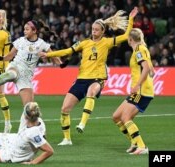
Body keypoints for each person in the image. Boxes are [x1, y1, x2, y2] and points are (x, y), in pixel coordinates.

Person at [38, 7, 139, 145]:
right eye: (92, 29)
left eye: (97, 30)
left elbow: (127, 35)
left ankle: (82, 124)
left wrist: (131, 19)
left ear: (103, 32)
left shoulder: (107, 42)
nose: (94, 31)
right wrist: (48, 54)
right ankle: (67, 139)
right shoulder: (84, 43)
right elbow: (67, 51)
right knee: (64, 109)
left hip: (98, 78)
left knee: (92, 91)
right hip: (81, 79)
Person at [0, 20, 61, 130]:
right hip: (15, 66)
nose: (24, 31)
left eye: (27, 29)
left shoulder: (42, 44)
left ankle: (22, 132)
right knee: (12, 73)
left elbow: (57, 60)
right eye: (24, 29)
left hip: (26, 77)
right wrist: (1, 58)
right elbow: (9, 56)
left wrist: (53, 57)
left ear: (34, 31)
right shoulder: (20, 41)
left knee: (29, 108)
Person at [112, 28, 154, 155]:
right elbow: (151, 70)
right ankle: (134, 142)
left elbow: (146, 69)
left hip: (141, 91)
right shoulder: (140, 49)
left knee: (125, 117)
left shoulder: (139, 50)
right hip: (140, 90)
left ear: (130, 39)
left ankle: (142, 146)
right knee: (116, 116)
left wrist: (137, 85)